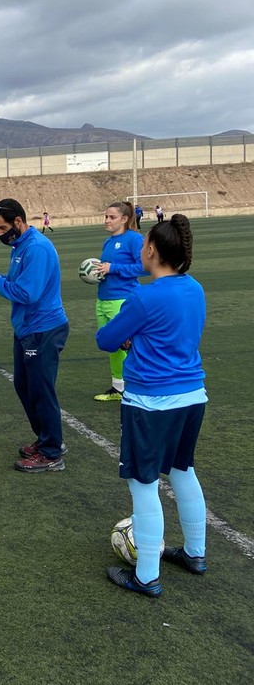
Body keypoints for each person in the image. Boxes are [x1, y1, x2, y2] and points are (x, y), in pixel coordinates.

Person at [97, 215, 208, 597]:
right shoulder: (195, 288)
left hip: (151, 402)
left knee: (143, 484)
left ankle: (146, 575)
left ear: (153, 251)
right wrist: (140, 341)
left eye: (145, 244)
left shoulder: (145, 295)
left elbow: (106, 339)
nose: (141, 248)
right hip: (193, 396)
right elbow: (175, 336)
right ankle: (195, 553)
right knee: (182, 470)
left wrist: (131, 340)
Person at [0, 199, 69, 473]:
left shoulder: (37, 249)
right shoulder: (21, 247)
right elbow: (19, 284)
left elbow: (28, 294)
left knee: (41, 390)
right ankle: (46, 440)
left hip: (43, 329)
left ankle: (52, 452)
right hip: (27, 329)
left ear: (18, 221)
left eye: (2, 227)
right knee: (25, 386)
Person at [93, 202, 146, 402]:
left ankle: (137, 387)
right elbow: (109, 268)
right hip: (103, 299)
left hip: (123, 300)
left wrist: (113, 268)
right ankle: (118, 388)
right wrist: (96, 273)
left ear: (124, 219)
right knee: (112, 346)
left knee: (129, 346)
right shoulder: (108, 242)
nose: (107, 220)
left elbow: (144, 267)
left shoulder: (134, 239)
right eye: (105, 216)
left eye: (111, 217)